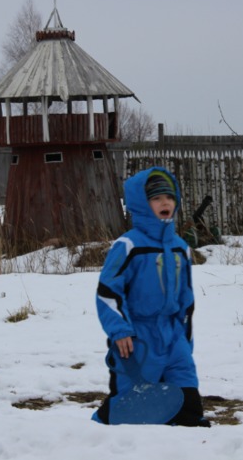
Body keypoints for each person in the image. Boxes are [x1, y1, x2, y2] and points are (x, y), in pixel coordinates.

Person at [92, 167, 210, 427]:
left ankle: (193, 441)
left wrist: (185, 339)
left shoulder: (181, 248)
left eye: (169, 197)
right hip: (137, 338)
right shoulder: (128, 246)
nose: (164, 202)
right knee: (132, 403)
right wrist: (120, 330)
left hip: (173, 336)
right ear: (141, 205)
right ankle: (101, 428)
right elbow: (108, 292)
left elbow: (187, 299)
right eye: (156, 198)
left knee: (187, 397)